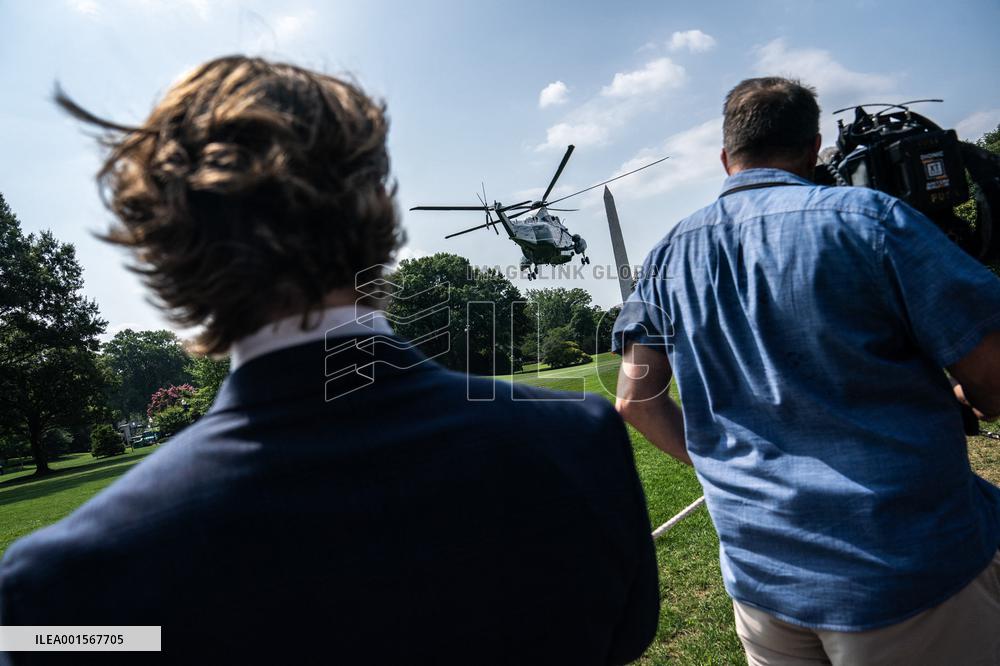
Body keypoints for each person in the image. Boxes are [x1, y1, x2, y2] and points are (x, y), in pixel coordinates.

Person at [0, 56, 658, 664]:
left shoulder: (58, 596)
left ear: (166, 252)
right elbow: (623, 637)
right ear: (378, 212)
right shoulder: (578, 444)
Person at [612, 76, 1000, 665]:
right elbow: (992, 373)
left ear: (725, 156)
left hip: (761, 582)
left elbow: (634, 400)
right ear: (814, 147)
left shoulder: (666, 255)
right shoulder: (872, 220)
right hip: (904, 569)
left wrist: (733, 470)